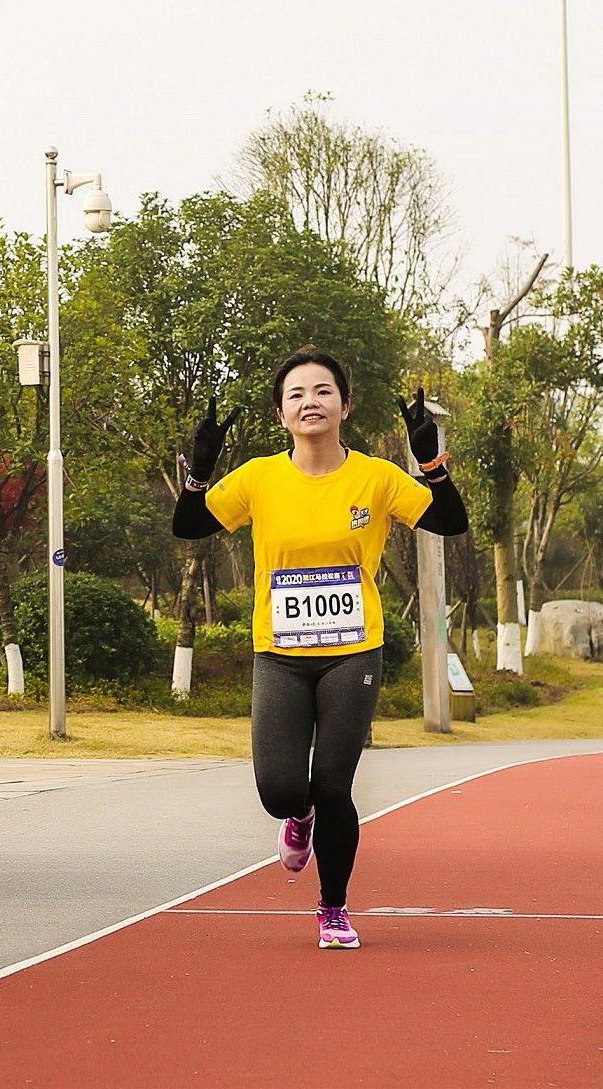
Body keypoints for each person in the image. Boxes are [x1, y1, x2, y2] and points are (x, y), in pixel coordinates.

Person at [171, 348, 468, 950]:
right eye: (298, 394)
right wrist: (200, 474)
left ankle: (334, 908)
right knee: (280, 790)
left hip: (352, 652)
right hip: (279, 654)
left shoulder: (377, 477)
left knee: (334, 784)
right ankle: (298, 820)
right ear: (282, 413)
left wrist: (431, 463)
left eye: (324, 391)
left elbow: (450, 522)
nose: (311, 402)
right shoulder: (258, 478)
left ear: (345, 406)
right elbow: (189, 526)